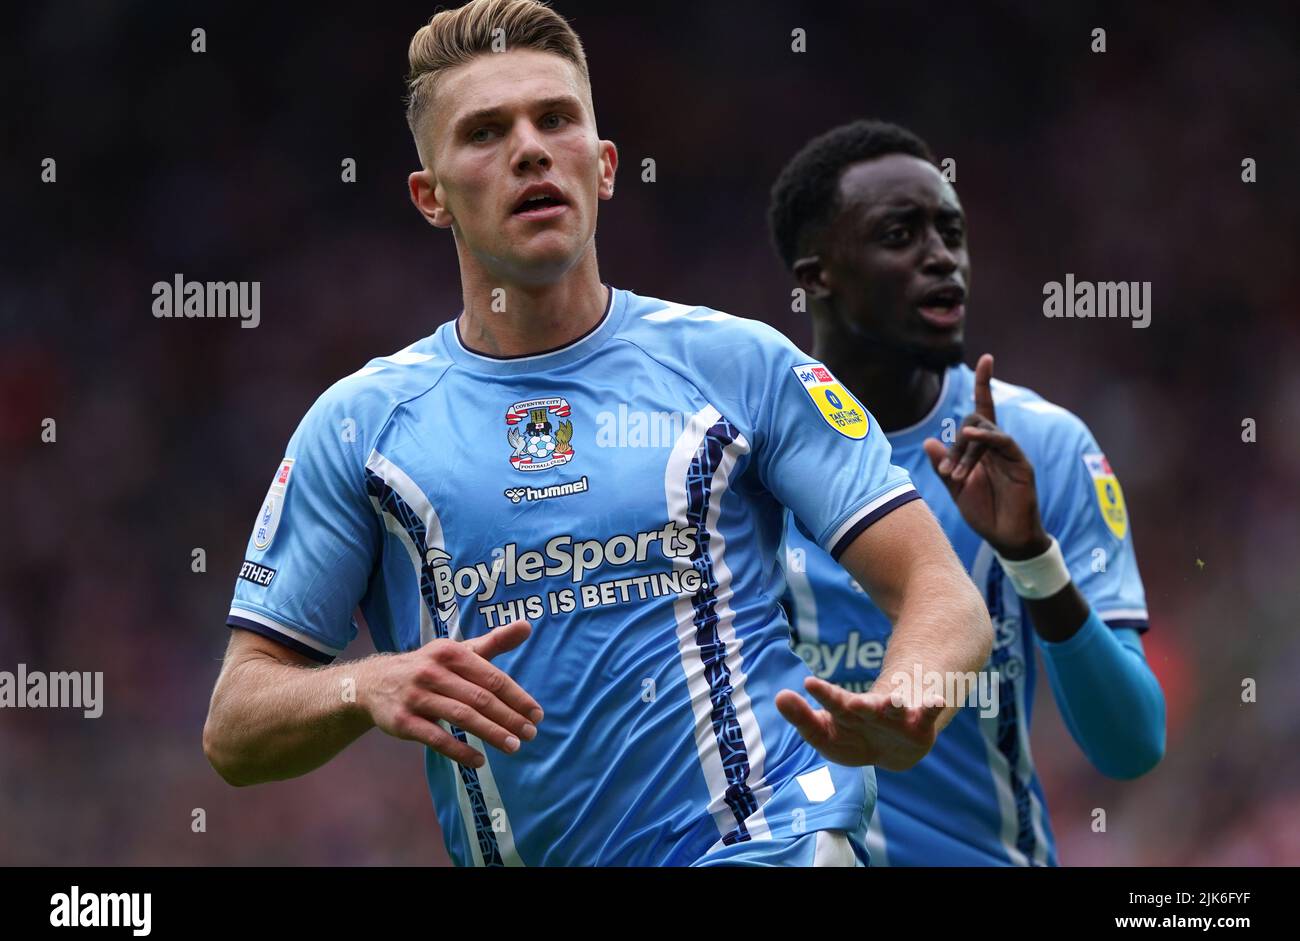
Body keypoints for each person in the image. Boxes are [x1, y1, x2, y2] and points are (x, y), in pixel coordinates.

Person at [202, 2, 991, 867]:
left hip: (776, 840)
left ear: (605, 165)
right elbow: (236, 725)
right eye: (485, 132)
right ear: (432, 198)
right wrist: (366, 684)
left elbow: (941, 592)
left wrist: (913, 694)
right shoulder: (359, 427)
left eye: (556, 119)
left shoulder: (741, 366)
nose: (531, 149)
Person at [767, 119, 1166, 866]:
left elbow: (1132, 744)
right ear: (815, 274)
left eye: (951, 233)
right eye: (901, 235)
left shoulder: (1041, 447)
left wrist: (1031, 557)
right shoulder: (744, 459)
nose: (942, 258)